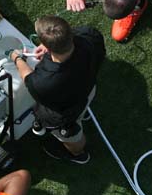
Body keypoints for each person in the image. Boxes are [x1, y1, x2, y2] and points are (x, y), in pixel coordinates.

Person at [9, 16, 104, 164]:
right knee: (83, 107)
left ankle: (78, 154)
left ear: (49, 47)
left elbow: (28, 78)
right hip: (88, 90)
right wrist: (49, 47)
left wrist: (16, 58)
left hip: (67, 113)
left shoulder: (44, 83)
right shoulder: (89, 35)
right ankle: (84, 114)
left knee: (73, 136)